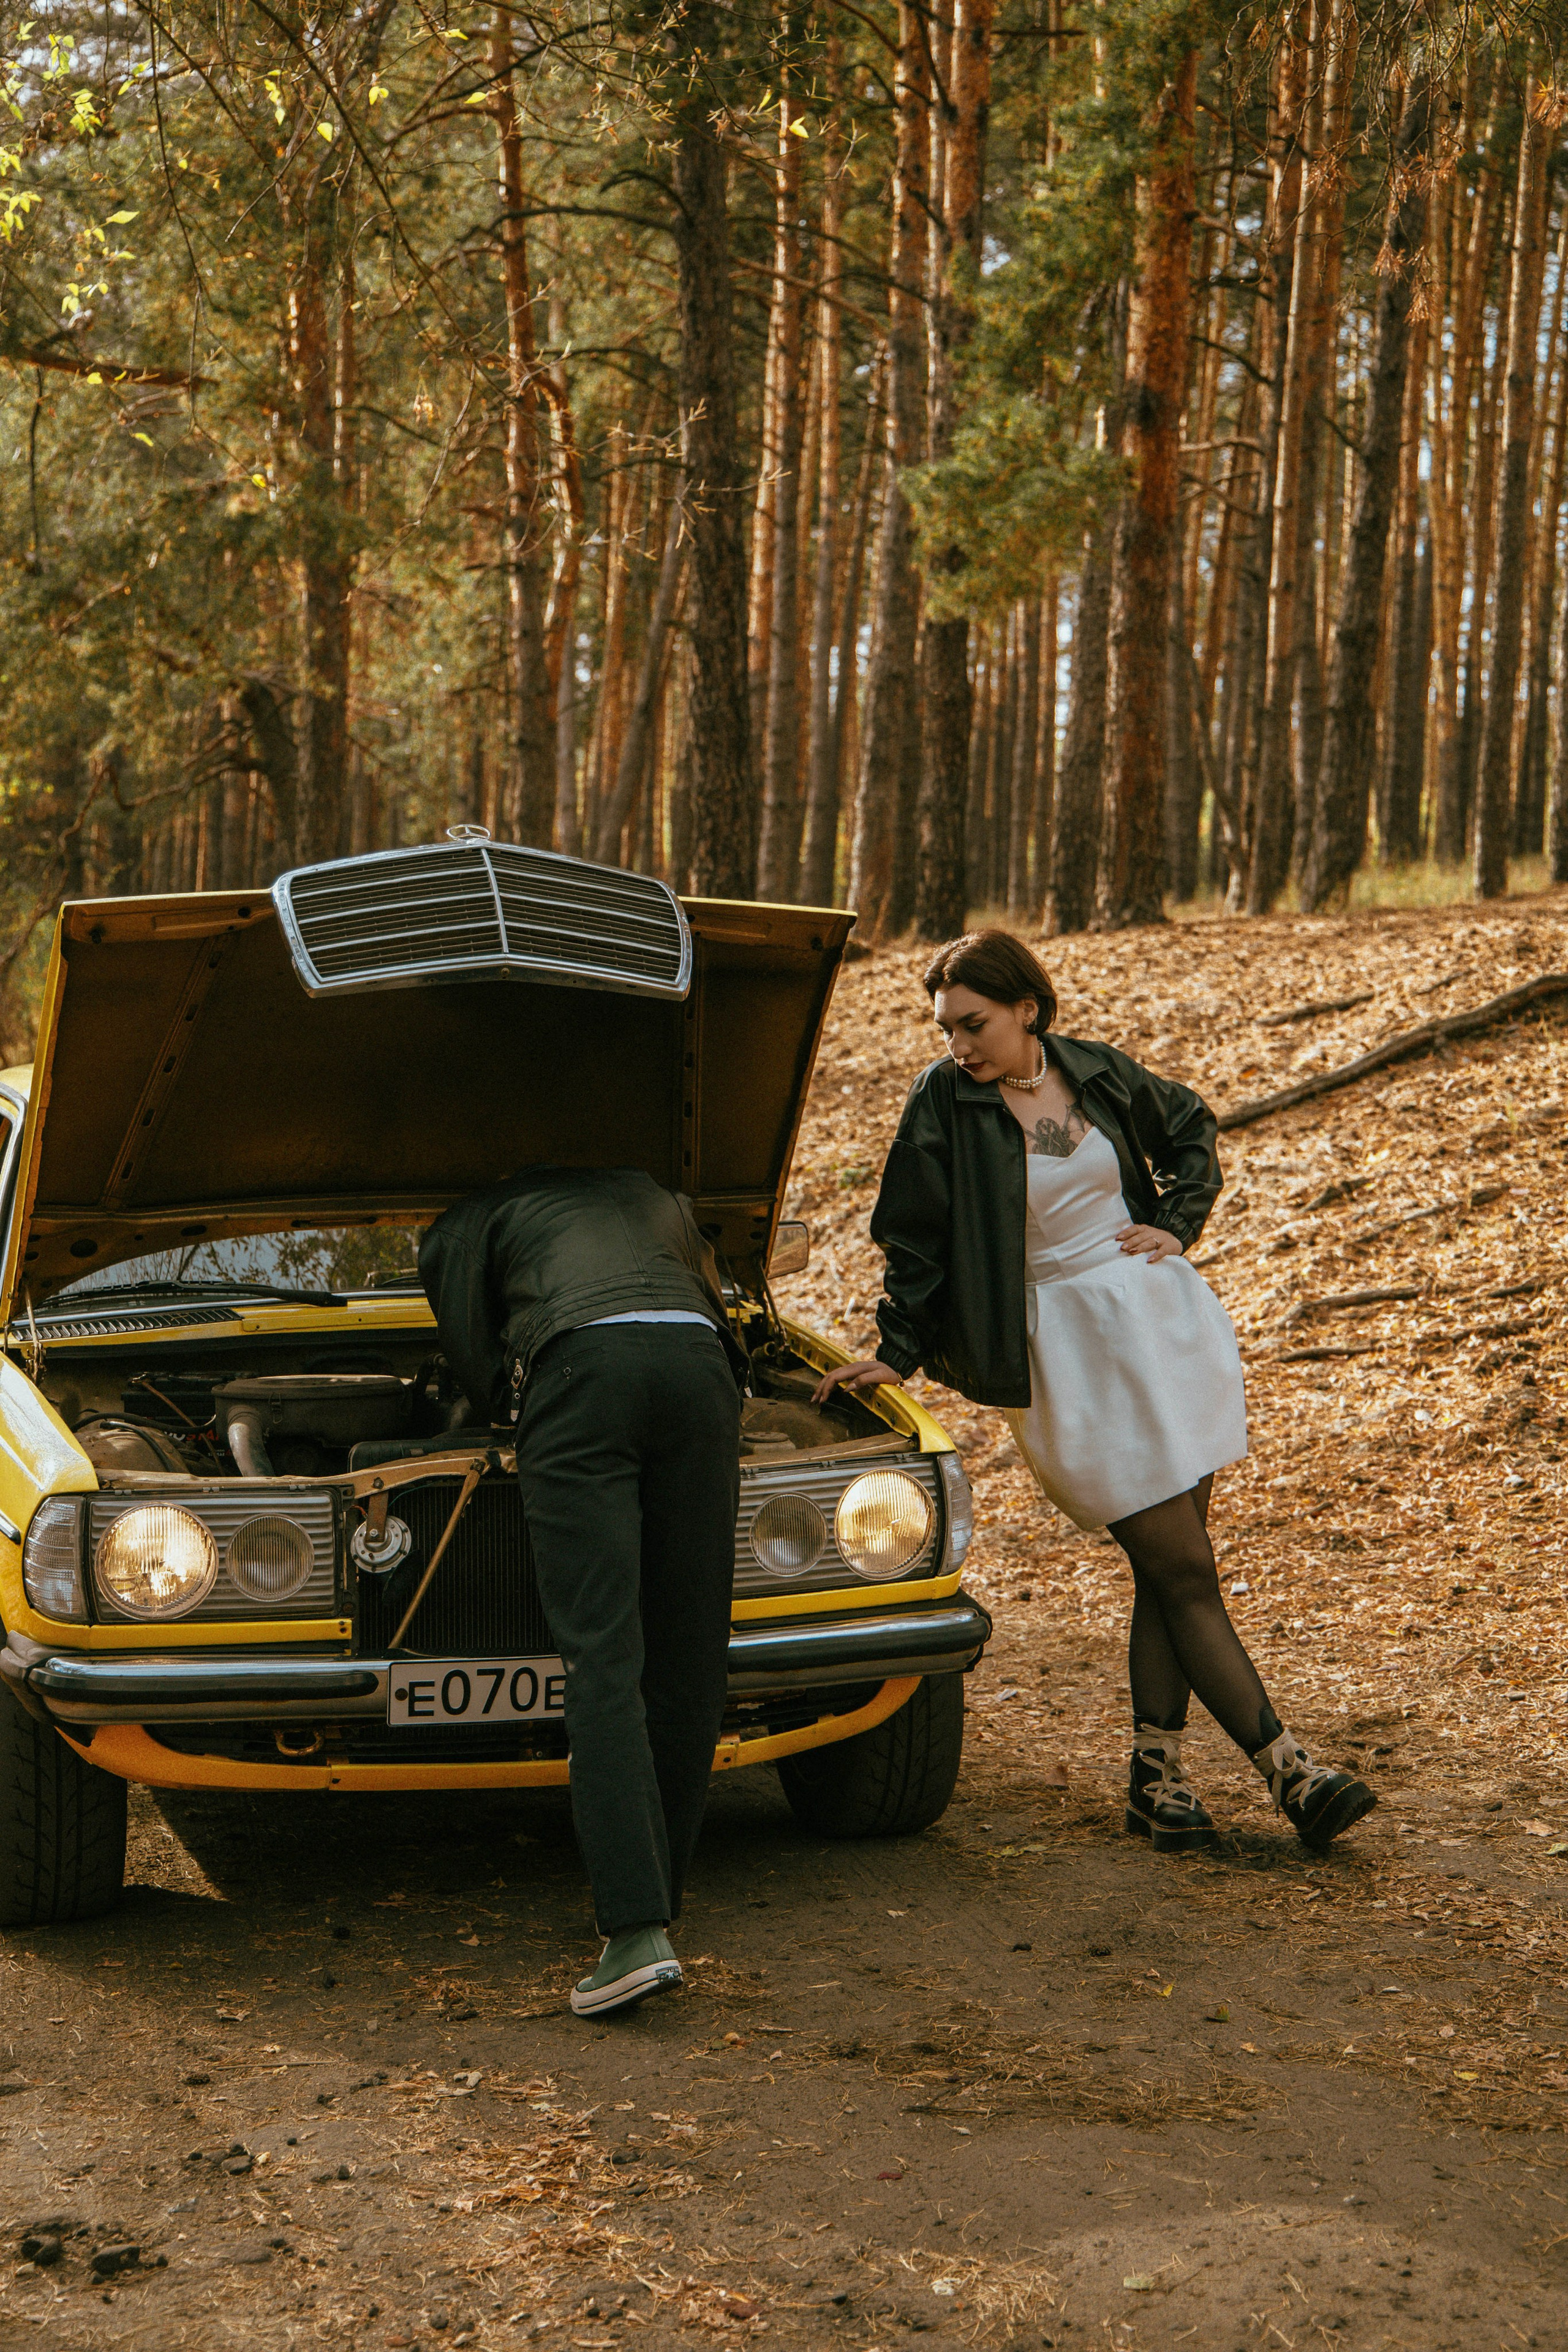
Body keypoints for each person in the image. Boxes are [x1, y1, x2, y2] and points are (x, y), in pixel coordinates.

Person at [815, 930, 1374, 1855]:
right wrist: (895, 1353)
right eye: (947, 1028)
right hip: (1065, 1349)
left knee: (1173, 1572)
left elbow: (1190, 1126)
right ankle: (1291, 1772)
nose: (958, 1044)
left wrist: (1176, 1225)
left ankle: (1157, 1783)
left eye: (974, 1024)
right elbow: (914, 1237)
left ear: (1027, 1009)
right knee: (1183, 1568)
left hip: (1160, 1326)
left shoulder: (1094, 1071)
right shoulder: (944, 1100)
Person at [420, 1166, 746, 2013]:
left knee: (604, 1655)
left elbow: (474, 1355)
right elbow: (710, 1291)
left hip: (582, 1372)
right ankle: (657, 1904)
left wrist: (499, 1403)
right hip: (702, 1367)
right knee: (690, 1648)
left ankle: (635, 1932)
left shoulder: (469, 1214)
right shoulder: (655, 1193)